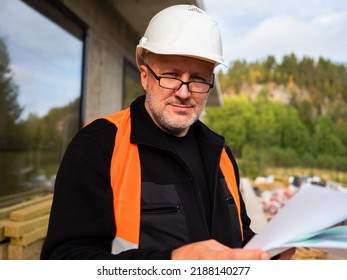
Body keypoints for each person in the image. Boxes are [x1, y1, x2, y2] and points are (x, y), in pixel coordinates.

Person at [40, 4, 295, 260]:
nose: (184, 92)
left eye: (197, 79)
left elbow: (238, 238)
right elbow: (63, 259)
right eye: (171, 75)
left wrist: (267, 254)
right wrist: (172, 263)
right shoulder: (99, 145)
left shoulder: (220, 153)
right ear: (144, 76)